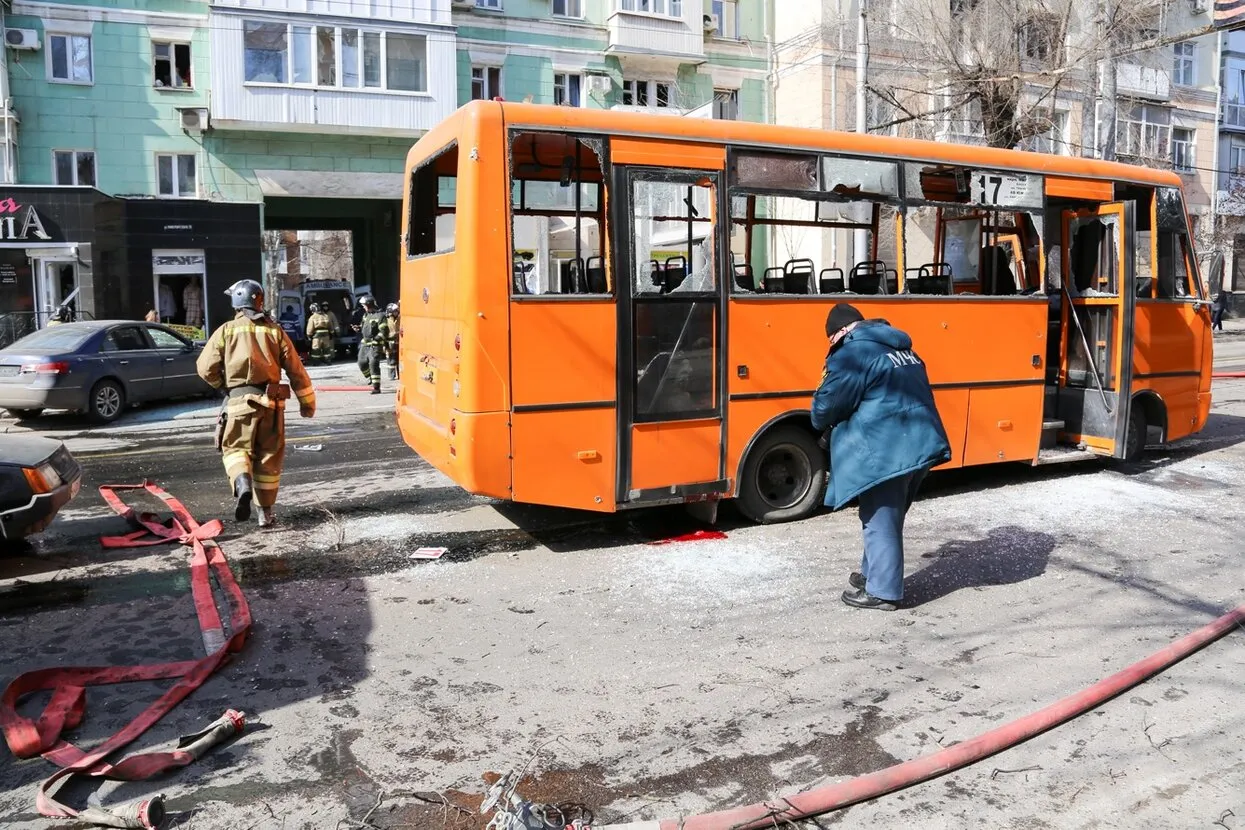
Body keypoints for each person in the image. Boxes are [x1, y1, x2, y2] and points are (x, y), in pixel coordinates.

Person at [811, 303, 952, 611]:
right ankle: (873, 574)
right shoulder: (901, 347)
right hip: (919, 442)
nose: (832, 345)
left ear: (842, 332)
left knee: (879, 518)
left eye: (831, 338)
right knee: (886, 515)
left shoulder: (854, 352)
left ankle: (883, 592)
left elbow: (825, 408)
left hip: (886, 448)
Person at [196, 279, 315, 528]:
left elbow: (205, 367)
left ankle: (242, 483)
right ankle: (265, 514)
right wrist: (307, 403)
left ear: (236, 303)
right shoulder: (275, 331)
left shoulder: (226, 330)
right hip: (272, 405)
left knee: (235, 449)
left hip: (239, 404)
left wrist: (224, 387)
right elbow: (296, 370)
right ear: (259, 301)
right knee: (268, 459)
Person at [356, 295, 389, 394]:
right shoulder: (366, 315)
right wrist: (358, 328)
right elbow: (364, 326)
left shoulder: (380, 316)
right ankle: (370, 377)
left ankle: (376, 387)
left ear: (369, 304)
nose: (363, 307)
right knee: (361, 363)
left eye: (364, 305)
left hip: (375, 344)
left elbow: (384, 331)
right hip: (365, 344)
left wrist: (377, 339)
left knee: (373, 364)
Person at [384, 302, 400, 379]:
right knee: (391, 361)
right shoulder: (386, 320)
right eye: (395, 311)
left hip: (398, 343)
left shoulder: (400, 318)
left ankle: (400, 375)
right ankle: (391, 375)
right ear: (390, 312)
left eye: (397, 310)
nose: (397, 312)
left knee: (398, 359)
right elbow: (385, 333)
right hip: (389, 343)